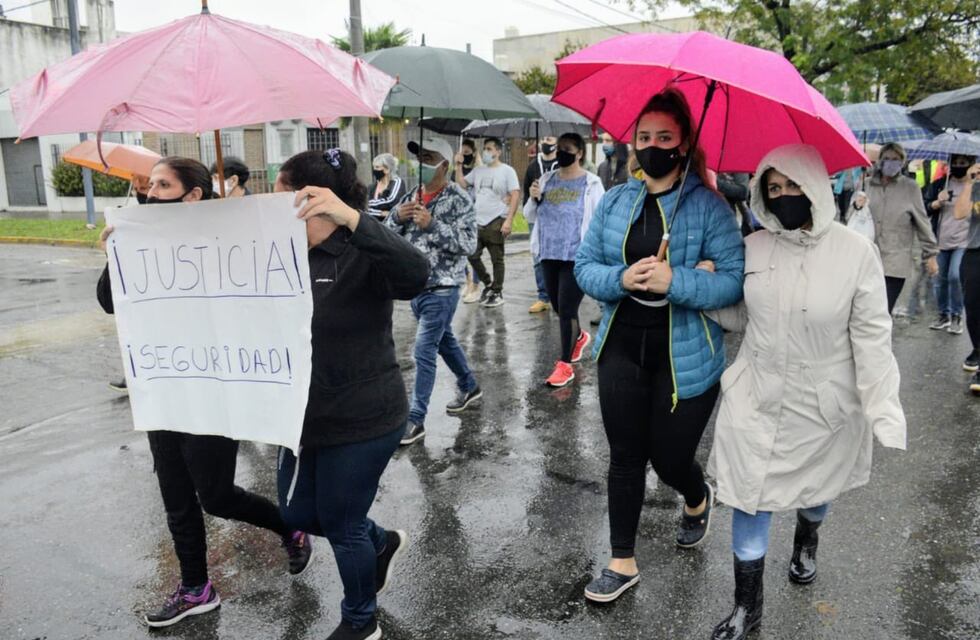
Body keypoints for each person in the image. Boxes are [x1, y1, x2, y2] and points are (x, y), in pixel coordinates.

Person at [96, 157, 312, 629]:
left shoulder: (227, 239)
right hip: (163, 388)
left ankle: (289, 526)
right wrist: (116, 256)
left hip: (212, 391)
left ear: (193, 194)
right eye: (150, 185)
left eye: (163, 185)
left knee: (215, 497)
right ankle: (196, 588)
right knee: (176, 497)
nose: (150, 193)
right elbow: (112, 303)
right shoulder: (139, 238)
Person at [703, 144, 906, 640]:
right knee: (750, 496)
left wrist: (883, 407)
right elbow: (743, 316)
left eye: (793, 185)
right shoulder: (754, 246)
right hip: (756, 394)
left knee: (815, 494)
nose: (784, 196)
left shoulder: (855, 253)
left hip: (822, 404)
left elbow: (872, 337)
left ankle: (807, 536)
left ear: (815, 185)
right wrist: (703, 292)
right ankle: (746, 609)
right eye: (773, 188)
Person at [574, 89, 745, 603]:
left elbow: (733, 282)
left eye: (664, 137)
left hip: (687, 355)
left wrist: (678, 280)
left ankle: (696, 495)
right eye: (644, 136)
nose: (652, 146)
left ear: (684, 143)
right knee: (626, 455)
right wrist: (621, 278)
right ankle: (621, 561)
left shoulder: (709, 206)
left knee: (670, 460)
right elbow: (585, 267)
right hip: (622, 345)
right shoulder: (616, 201)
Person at [274, 148, 430, 640]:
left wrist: (353, 219)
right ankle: (379, 543)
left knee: (342, 523)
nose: (267, 203)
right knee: (298, 514)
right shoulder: (274, 252)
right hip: (300, 417)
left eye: (278, 192)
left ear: (309, 198)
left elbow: (416, 274)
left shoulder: (364, 252)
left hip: (364, 416)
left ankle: (361, 621)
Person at [387, 137, 483, 445]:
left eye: (428, 158)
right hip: (415, 286)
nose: (421, 164)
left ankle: (416, 419)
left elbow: (469, 244)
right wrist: (395, 217)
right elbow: (389, 234)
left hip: (443, 287)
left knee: (424, 348)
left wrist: (432, 225)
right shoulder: (412, 194)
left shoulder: (459, 199)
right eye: (420, 157)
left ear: (444, 164)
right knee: (444, 341)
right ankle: (469, 385)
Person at [525, 132, 604, 387]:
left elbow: (600, 218)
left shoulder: (591, 183)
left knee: (568, 310)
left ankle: (565, 365)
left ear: (579, 153)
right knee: (559, 308)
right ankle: (578, 337)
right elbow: (529, 215)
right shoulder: (546, 179)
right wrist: (533, 197)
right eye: (559, 148)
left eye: (566, 149)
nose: (560, 153)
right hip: (548, 252)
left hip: (576, 256)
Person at [864, 143, 939, 314]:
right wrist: (856, 205)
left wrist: (931, 254)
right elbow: (853, 219)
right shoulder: (866, 185)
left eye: (895, 159)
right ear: (880, 161)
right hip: (867, 259)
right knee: (864, 310)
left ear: (903, 162)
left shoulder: (910, 187)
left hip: (895, 262)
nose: (890, 163)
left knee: (882, 312)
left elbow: (922, 222)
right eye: (886, 159)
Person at [455, 137, 520, 308]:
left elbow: (515, 194)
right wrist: (458, 165)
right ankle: (488, 283)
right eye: (485, 148)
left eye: (490, 149)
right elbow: (462, 183)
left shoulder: (507, 171)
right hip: (478, 220)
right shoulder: (479, 171)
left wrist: (509, 220)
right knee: (472, 254)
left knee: (496, 258)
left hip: (497, 219)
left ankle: (497, 291)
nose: (486, 152)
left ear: (498, 151)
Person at [925, 153, 976, 334]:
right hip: (941, 239)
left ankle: (956, 315)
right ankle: (943, 315)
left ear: (971, 164)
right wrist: (937, 203)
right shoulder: (940, 184)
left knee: (955, 276)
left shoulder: (975, 186)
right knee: (939, 279)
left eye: (962, 162)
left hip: (964, 241)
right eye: (954, 162)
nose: (958, 165)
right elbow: (925, 208)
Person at [524, 136, 559, 314]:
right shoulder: (532, 167)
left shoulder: (562, 166)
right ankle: (543, 297)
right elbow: (526, 195)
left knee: (558, 258)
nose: (546, 142)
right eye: (544, 138)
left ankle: (559, 293)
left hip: (557, 219)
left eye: (550, 139)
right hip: (537, 218)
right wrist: (533, 196)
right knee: (538, 259)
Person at [953, 162, 980, 392]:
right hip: (974, 251)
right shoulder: (976, 186)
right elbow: (959, 213)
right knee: (971, 308)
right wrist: (970, 183)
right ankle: (977, 348)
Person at [458, 139, 484, 305]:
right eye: (462, 153)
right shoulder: (458, 169)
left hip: (474, 214)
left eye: (467, 153)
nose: (464, 156)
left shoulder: (478, 170)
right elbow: (457, 186)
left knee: (473, 253)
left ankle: (475, 285)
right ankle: (467, 281)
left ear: (474, 153)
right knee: (460, 250)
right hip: (460, 214)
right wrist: (458, 165)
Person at [367, 152, 405, 219]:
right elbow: (365, 209)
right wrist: (381, 213)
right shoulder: (372, 187)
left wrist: (370, 207)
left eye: (377, 167)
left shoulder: (397, 182)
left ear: (387, 169)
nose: (374, 170)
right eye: (374, 167)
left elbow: (392, 201)